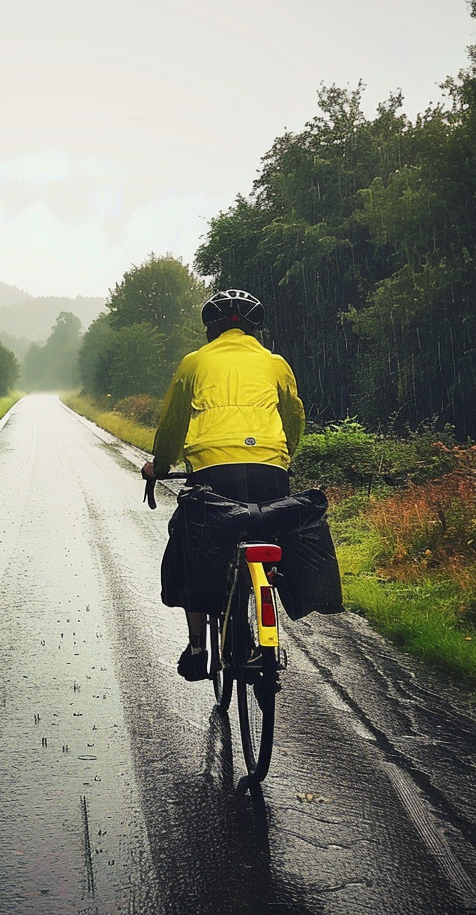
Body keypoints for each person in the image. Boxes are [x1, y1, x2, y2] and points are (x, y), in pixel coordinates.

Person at [141, 289, 305, 681]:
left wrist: (159, 465)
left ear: (211, 329)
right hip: (269, 468)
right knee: (268, 531)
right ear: (253, 328)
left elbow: (174, 422)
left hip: (212, 471)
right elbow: (293, 417)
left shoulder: (194, 363)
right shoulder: (275, 363)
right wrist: (283, 457)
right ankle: (272, 581)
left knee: (191, 544)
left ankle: (199, 648)